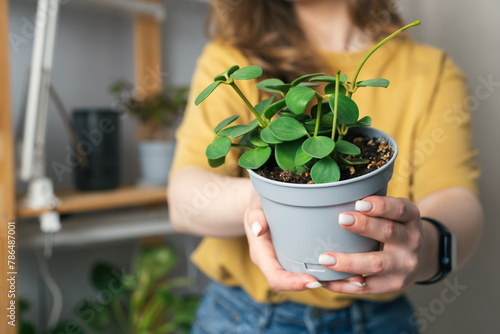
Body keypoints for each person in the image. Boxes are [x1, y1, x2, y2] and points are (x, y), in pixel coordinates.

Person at [167, 1, 483, 333]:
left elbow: (455, 197)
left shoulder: (429, 71)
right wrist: (267, 201)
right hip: (243, 316)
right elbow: (184, 200)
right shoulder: (233, 59)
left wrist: (426, 245)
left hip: (379, 318)